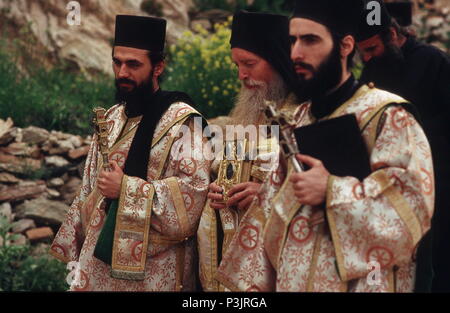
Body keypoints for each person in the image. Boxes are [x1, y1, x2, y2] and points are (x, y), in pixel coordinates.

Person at [215, 0, 434, 292]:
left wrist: (332, 190)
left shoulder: (387, 116)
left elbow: (412, 212)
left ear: (345, 46)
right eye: (292, 41)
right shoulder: (299, 119)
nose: (296, 53)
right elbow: (270, 221)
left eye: (310, 40)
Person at [49, 15, 210, 291]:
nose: (122, 72)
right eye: (117, 62)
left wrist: (126, 188)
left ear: (158, 67)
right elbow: (89, 189)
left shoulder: (182, 123)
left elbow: (193, 196)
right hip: (98, 265)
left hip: (155, 273)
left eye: (133, 64)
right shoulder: (111, 119)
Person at [197, 10, 299, 291]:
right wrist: (215, 191)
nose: (242, 75)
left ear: (278, 60)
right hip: (231, 263)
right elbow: (225, 171)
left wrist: (266, 196)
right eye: (237, 65)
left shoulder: (306, 116)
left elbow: (321, 195)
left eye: (250, 64)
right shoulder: (244, 113)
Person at [355, 0, 450, 292]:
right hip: (392, 181)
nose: (368, 58)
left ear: (393, 35)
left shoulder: (433, 60)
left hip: (438, 175)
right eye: (362, 53)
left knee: (440, 256)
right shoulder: (371, 71)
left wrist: (410, 135)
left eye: (372, 49)